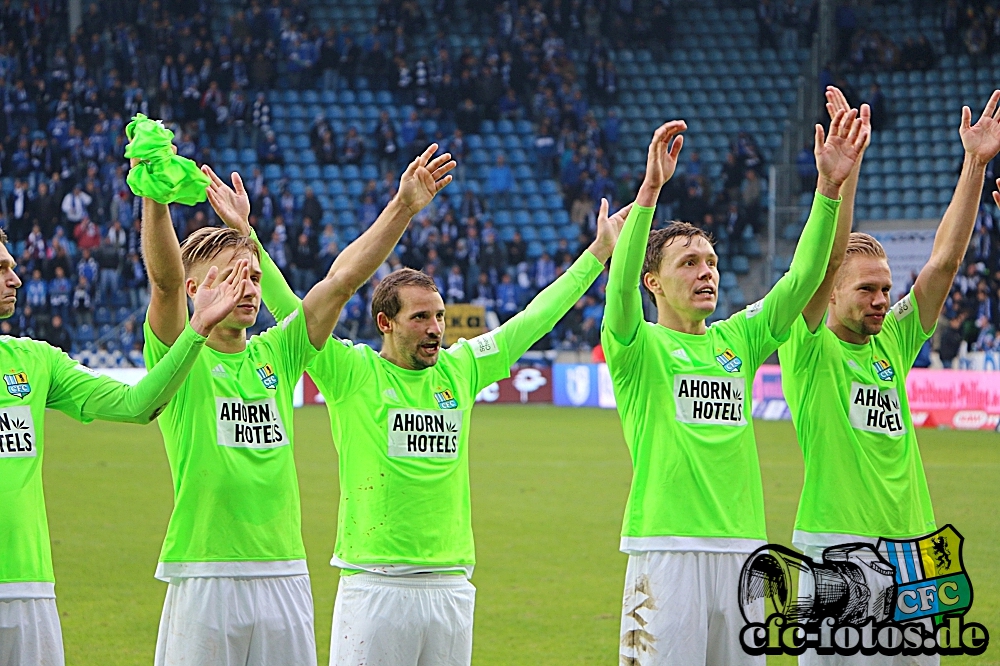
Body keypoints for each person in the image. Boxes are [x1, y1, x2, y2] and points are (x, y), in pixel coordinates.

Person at [211, 172, 629, 666]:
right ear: (385, 323)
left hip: (452, 583)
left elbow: (535, 318)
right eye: (420, 318)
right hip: (375, 583)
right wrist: (247, 236)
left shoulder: (462, 368)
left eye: (439, 317)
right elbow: (294, 307)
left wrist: (598, 255)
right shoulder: (349, 370)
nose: (435, 330)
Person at [604, 112, 867, 666]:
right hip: (665, 551)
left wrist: (828, 188)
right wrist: (650, 190)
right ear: (654, 282)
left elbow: (803, 279)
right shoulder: (636, 346)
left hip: (745, 554)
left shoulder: (739, 340)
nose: (708, 273)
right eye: (690, 263)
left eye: (713, 263)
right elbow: (620, 283)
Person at [180, 144, 454, 666]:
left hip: (286, 572)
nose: (246, 287)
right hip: (205, 572)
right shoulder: (182, 350)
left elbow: (340, 283)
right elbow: (167, 284)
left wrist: (402, 207)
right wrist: (157, 202)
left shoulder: (278, 353)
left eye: (253, 277)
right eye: (231, 278)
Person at [779, 89, 1000, 666]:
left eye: (885, 288)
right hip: (837, 548)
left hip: (916, 547)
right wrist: (843, 179)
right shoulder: (807, 348)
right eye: (866, 290)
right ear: (829, 296)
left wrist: (975, 164)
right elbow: (823, 262)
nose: (883, 300)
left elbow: (943, 262)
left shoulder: (894, 343)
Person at [0, 225, 245, 666]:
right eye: (1, 269)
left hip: (27, 587)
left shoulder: (35, 361)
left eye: (12, 268)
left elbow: (137, 405)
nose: (15, 279)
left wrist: (198, 329)